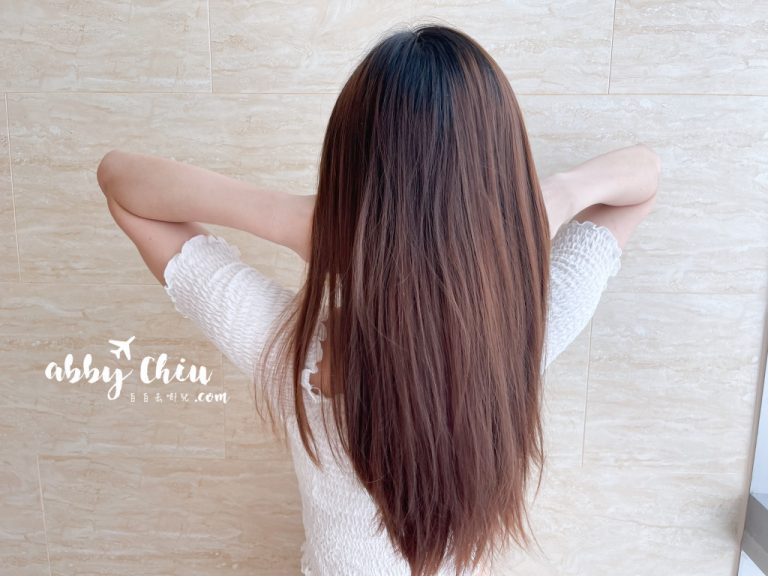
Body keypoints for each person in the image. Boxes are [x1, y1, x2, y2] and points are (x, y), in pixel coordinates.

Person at [98, 23, 659, 576]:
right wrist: (545, 202)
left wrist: (300, 221)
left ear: (346, 174)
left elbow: (121, 182)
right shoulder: (524, 336)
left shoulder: (298, 356)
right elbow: (642, 177)